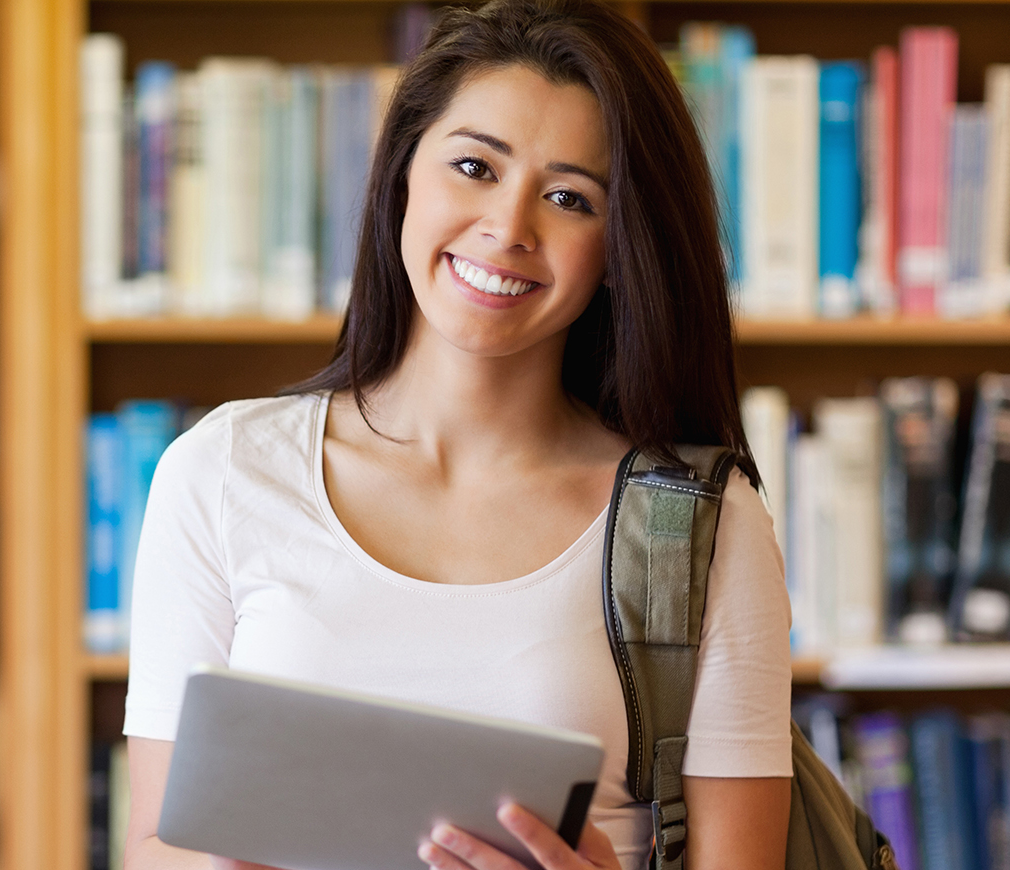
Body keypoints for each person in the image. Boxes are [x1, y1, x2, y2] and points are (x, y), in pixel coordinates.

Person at [117, 2, 794, 869]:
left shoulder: (701, 525)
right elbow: (154, 845)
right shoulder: (222, 470)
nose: (508, 229)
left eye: (568, 197)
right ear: (402, 173)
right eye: (475, 165)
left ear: (620, 246)